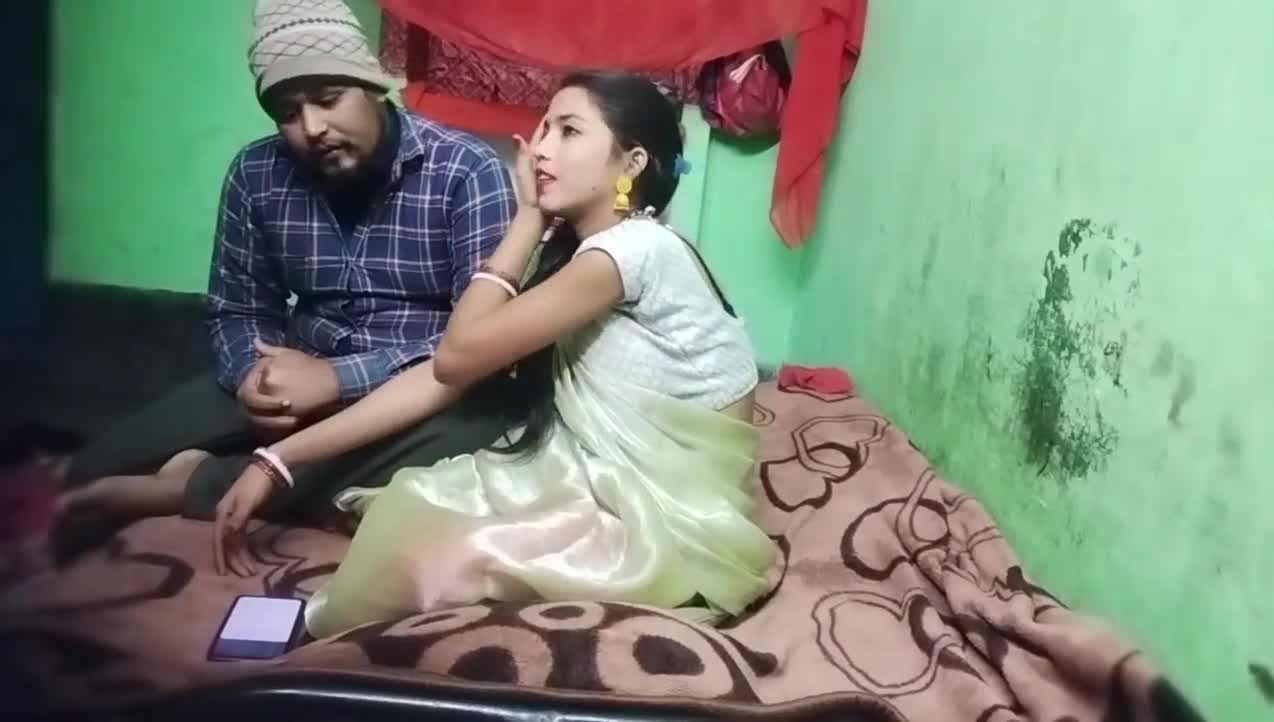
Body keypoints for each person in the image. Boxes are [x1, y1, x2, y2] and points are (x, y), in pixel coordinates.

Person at [291, 70, 780, 638]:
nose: (541, 149)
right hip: (637, 485)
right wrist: (280, 459)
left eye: (568, 131)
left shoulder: (631, 250)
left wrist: (527, 217)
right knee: (429, 493)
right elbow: (451, 372)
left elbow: (456, 357)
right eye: (544, 129)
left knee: (420, 535)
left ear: (631, 164)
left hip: (672, 523)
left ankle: (313, 649)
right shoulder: (608, 249)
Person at [58, 0, 518, 530]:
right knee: (93, 469)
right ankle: (261, 473)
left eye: (328, 99)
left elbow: (478, 344)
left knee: (474, 447)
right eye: (288, 113)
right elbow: (237, 311)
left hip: (417, 393)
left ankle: (193, 484)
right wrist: (253, 377)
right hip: (294, 379)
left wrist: (338, 379)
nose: (312, 127)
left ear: (372, 86)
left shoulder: (466, 170)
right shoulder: (256, 174)